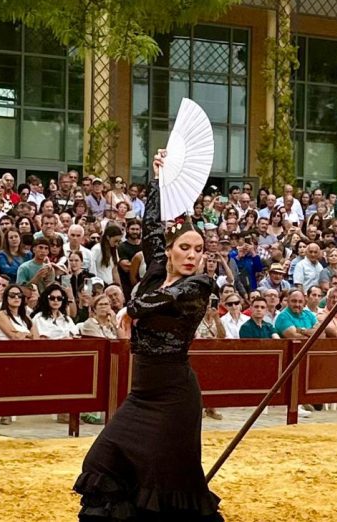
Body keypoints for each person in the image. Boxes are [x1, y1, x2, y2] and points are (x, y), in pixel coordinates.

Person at [74, 150, 223, 521]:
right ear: (169, 252)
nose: (191, 255)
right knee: (103, 460)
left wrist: (131, 308)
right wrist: (156, 177)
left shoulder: (199, 284)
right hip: (142, 395)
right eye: (184, 248)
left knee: (168, 484)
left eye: (199, 250)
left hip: (175, 397)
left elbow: (168, 298)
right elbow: (153, 223)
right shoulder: (157, 269)